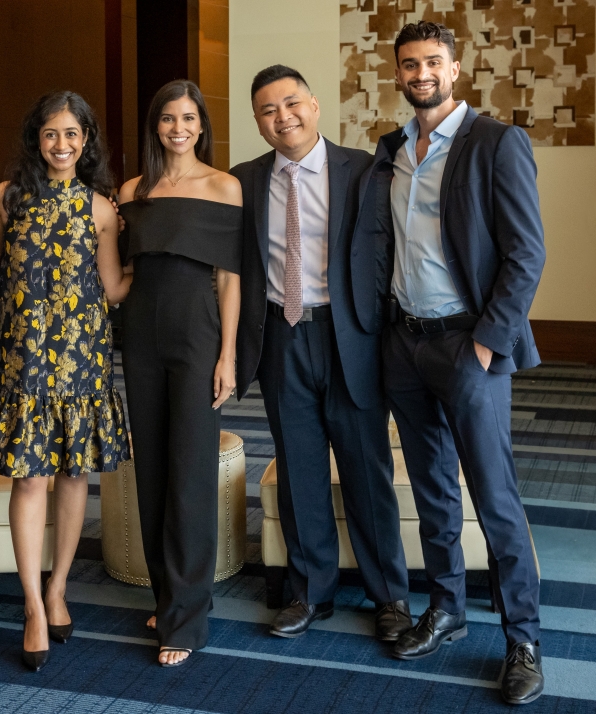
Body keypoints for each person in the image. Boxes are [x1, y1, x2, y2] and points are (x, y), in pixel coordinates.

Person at [352, 21, 546, 705]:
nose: (421, 73)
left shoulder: (496, 142)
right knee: (431, 490)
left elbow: (526, 253)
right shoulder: (392, 150)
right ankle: (448, 609)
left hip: (470, 346)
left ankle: (523, 637)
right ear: (398, 73)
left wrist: (489, 343)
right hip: (405, 345)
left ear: (455, 69)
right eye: (409, 64)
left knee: (494, 498)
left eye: (433, 62)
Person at [230, 66, 410, 640]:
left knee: (366, 469)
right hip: (281, 338)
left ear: (313, 103)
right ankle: (311, 593)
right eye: (267, 110)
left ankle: (390, 598)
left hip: (348, 335)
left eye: (291, 103)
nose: (282, 117)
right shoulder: (244, 181)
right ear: (257, 122)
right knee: (298, 469)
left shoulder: (362, 170)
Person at [0, 90, 131, 672]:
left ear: (86, 141)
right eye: (50, 134)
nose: (61, 145)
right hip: (22, 364)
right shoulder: (6, 198)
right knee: (29, 481)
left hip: (82, 360)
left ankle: (59, 586)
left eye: (73, 134)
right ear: (35, 140)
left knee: (73, 475)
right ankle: (32, 605)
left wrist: (169, 265)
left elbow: (113, 288)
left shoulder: (101, 208)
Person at [117, 80, 242, 668]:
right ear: (156, 126)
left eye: (188, 118)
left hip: (198, 338)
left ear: (201, 125)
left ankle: (188, 619)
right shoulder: (132, 191)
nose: (178, 128)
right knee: (153, 472)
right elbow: (121, 276)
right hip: (140, 337)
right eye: (167, 118)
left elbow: (229, 281)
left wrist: (228, 356)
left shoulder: (225, 187)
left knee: (191, 473)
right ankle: (171, 596)